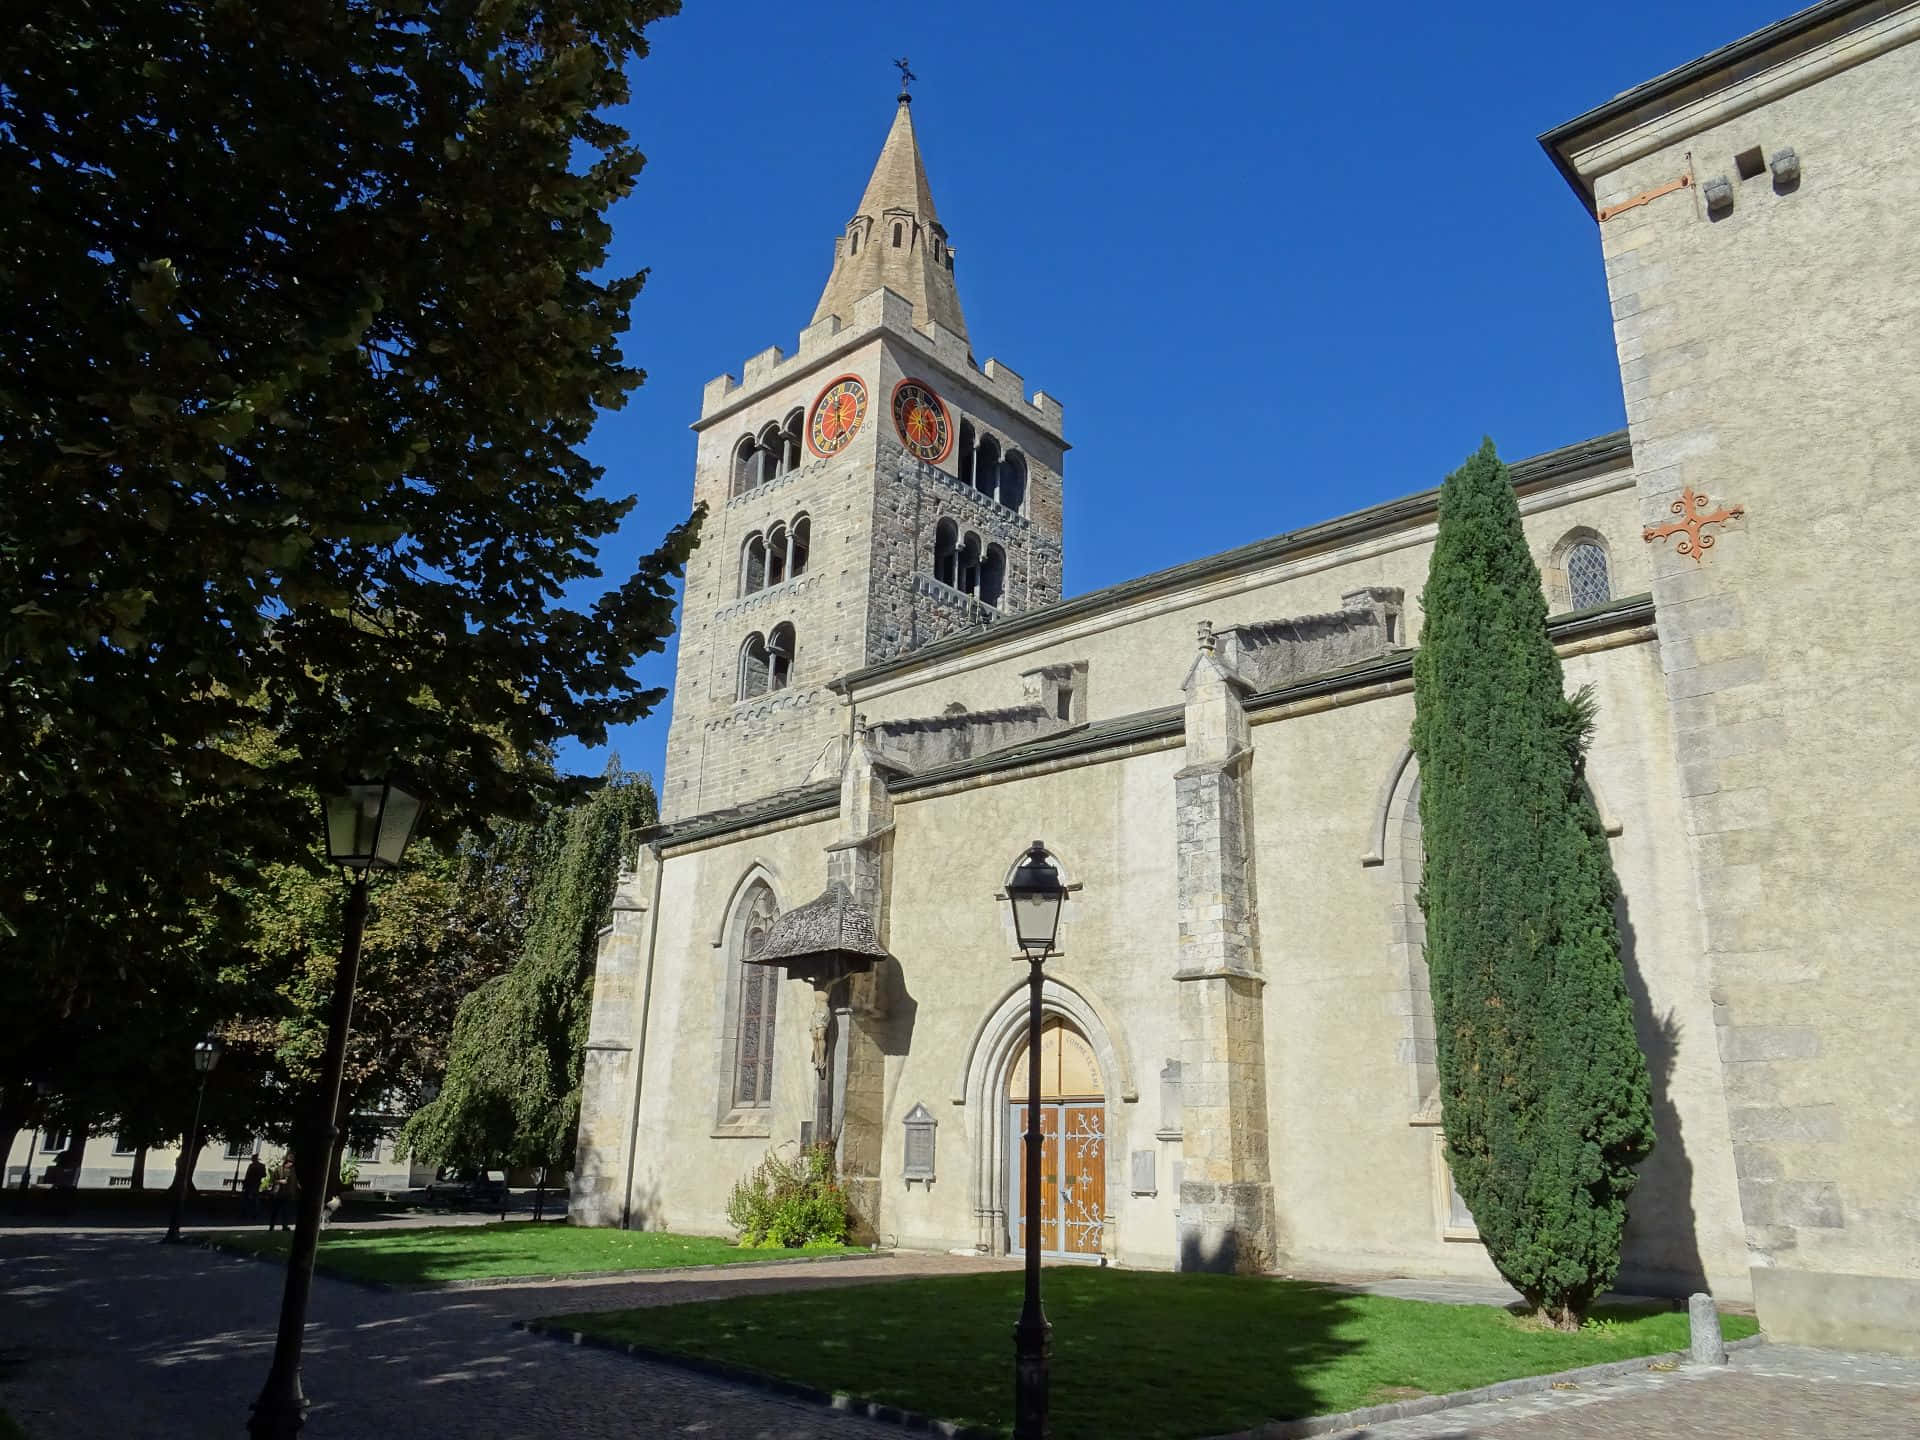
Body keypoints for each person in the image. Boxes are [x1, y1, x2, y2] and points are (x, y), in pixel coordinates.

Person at [266, 1156, 297, 1232]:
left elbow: (294, 1183)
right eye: (290, 1162)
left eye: (291, 1163)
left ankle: (284, 1226)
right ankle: (271, 1226)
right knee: (275, 1210)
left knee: (286, 1211)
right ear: (286, 1162)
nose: (290, 1164)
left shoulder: (292, 1171)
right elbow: (272, 1180)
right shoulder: (278, 1169)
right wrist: (280, 1181)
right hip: (278, 1193)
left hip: (287, 1194)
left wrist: (293, 1192)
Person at [241, 1153, 267, 1221]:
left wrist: (245, 1184)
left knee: (249, 1199)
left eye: (252, 1159)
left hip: (251, 1184)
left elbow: (247, 1175)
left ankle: (247, 1214)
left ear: (254, 1159)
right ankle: (254, 1214)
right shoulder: (261, 1166)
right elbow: (264, 1175)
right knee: (255, 1199)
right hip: (255, 1184)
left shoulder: (252, 1166)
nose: (252, 1160)